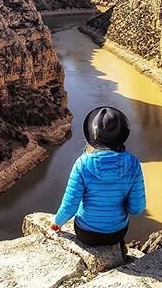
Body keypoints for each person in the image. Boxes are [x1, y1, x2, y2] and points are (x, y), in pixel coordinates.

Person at [51, 106, 146, 248]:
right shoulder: (133, 164)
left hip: (86, 233)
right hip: (117, 233)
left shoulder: (82, 164)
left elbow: (70, 204)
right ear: (120, 134)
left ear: (93, 134)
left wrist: (57, 222)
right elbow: (137, 208)